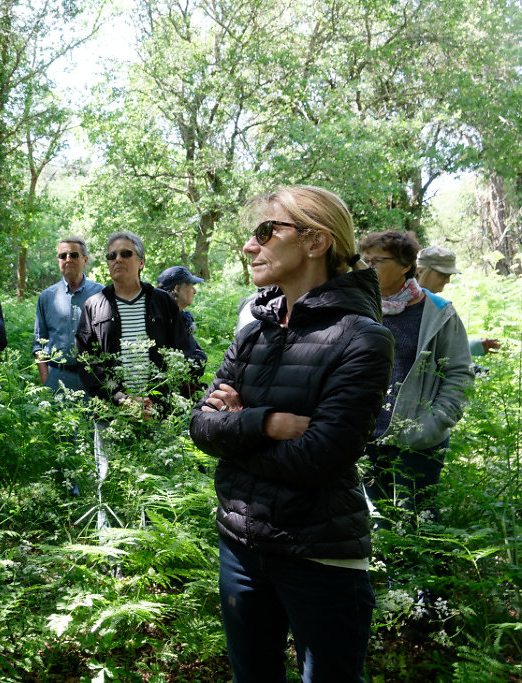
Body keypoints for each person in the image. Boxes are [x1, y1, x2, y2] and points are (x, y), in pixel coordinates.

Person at [190, 185, 394, 682]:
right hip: (240, 546)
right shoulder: (253, 332)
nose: (249, 246)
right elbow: (200, 426)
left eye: (265, 231)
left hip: (319, 553)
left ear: (315, 241)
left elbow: (319, 458)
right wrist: (266, 422)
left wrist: (235, 433)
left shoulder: (362, 338)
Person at [74, 231, 191, 529]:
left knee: (154, 479)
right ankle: (110, 550)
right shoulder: (94, 305)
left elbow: (180, 351)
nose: (118, 260)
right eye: (112, 255)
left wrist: (159, 399)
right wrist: (122, 399)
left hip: (156, 411)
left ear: (141, 261)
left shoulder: (163, 302)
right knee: (110, 480)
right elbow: (88, 363)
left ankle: (151, 547)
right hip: (112, 413)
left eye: (126, 254)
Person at [359, 231, 474, 525]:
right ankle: (386, 571)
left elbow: (459, 372)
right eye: (365, 259)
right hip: (366, 434)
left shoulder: (437, 311)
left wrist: (436, 422)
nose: (368, 266)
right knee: (379, 519)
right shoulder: (360, 306)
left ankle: (425, 571)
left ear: (405, 265)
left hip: (419, 436)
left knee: (420, 520)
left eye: (377, 261)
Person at [33, 236, 102, 393]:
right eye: (62, 256)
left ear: (85, 260)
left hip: (93, 378)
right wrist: (47, 383)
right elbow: (39, 346)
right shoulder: (46, 297)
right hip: (57, 378)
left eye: (74, 255)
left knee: (94, 418)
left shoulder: (101, 294)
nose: (68, 259)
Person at [416, 245, 501, 357]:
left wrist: (473, 347)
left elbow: (435, 351)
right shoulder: (397, 303)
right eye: (443, 275)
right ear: (420, 271)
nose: (448, 281)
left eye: (450, 275)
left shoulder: (436, 305)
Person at [155, 265, 208, 389]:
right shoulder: (163, 321)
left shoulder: (180, 317)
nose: (194, 291)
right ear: (177, 288)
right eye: (190, 286)